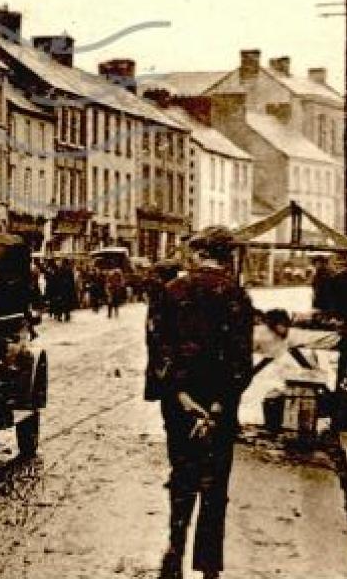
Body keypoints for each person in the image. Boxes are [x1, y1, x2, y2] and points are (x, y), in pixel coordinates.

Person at [150, 226, 253, 579]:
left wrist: (179, 395)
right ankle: (209, 564)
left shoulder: (172, 291)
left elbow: (159, 350)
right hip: (220, 406)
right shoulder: (236, 296)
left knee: (181, 475)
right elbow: (241, 361)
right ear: (226, 256)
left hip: (179, 403)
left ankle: (174, 548)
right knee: (214, 484)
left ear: (199, 253)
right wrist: (219, 405)